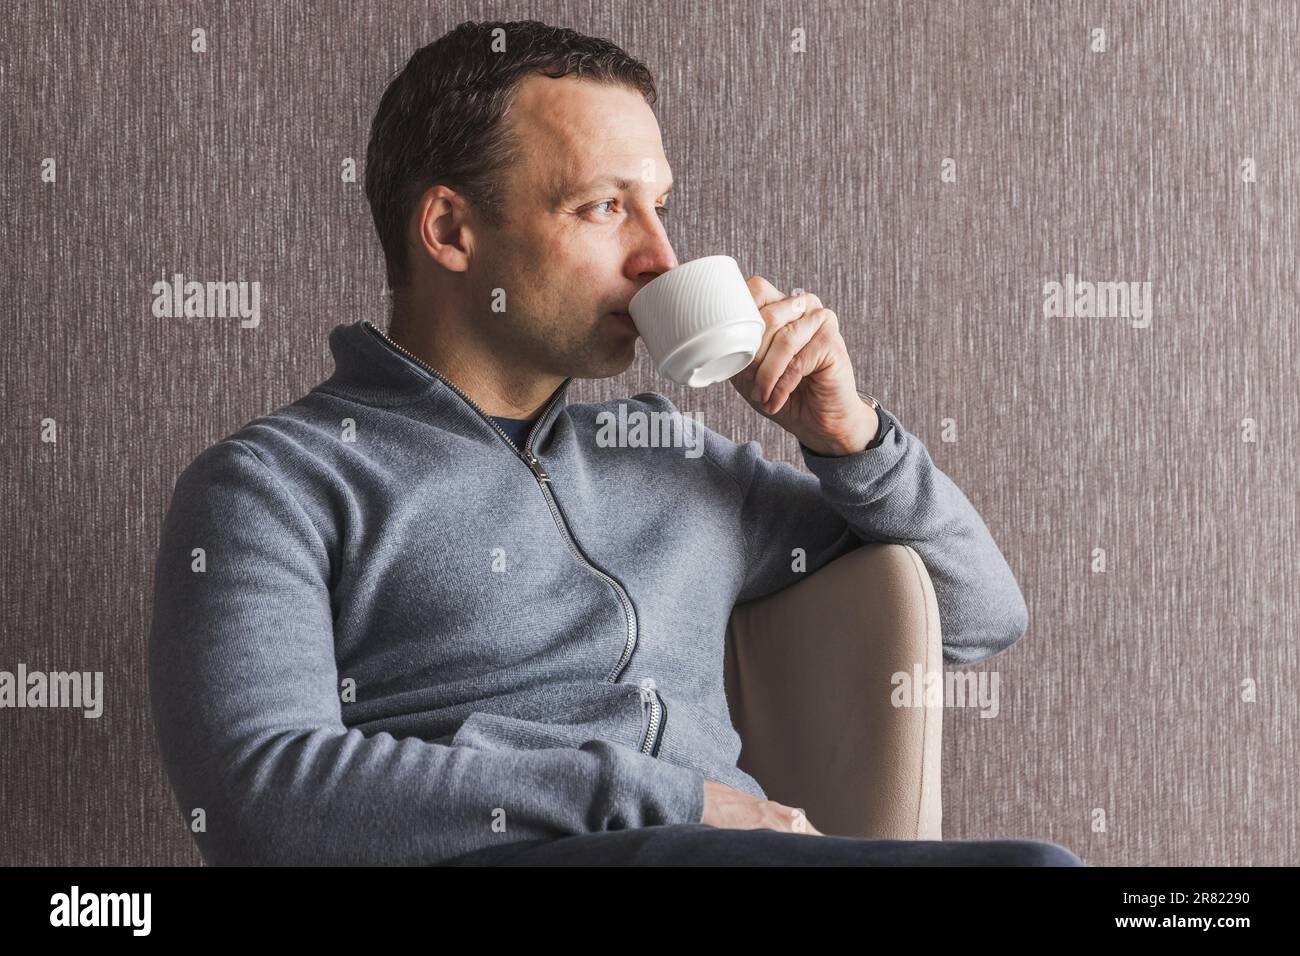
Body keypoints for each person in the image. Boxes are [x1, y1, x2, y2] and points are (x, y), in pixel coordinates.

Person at [147, 18, 1082, 867]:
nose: (660, 259)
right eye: (603, 207)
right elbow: (255, 800)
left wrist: (850, 438)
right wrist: (662, 801)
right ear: (450, 230)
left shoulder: (668, 455)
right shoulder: (273, 483)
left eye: (660, 206)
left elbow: (976, 614)